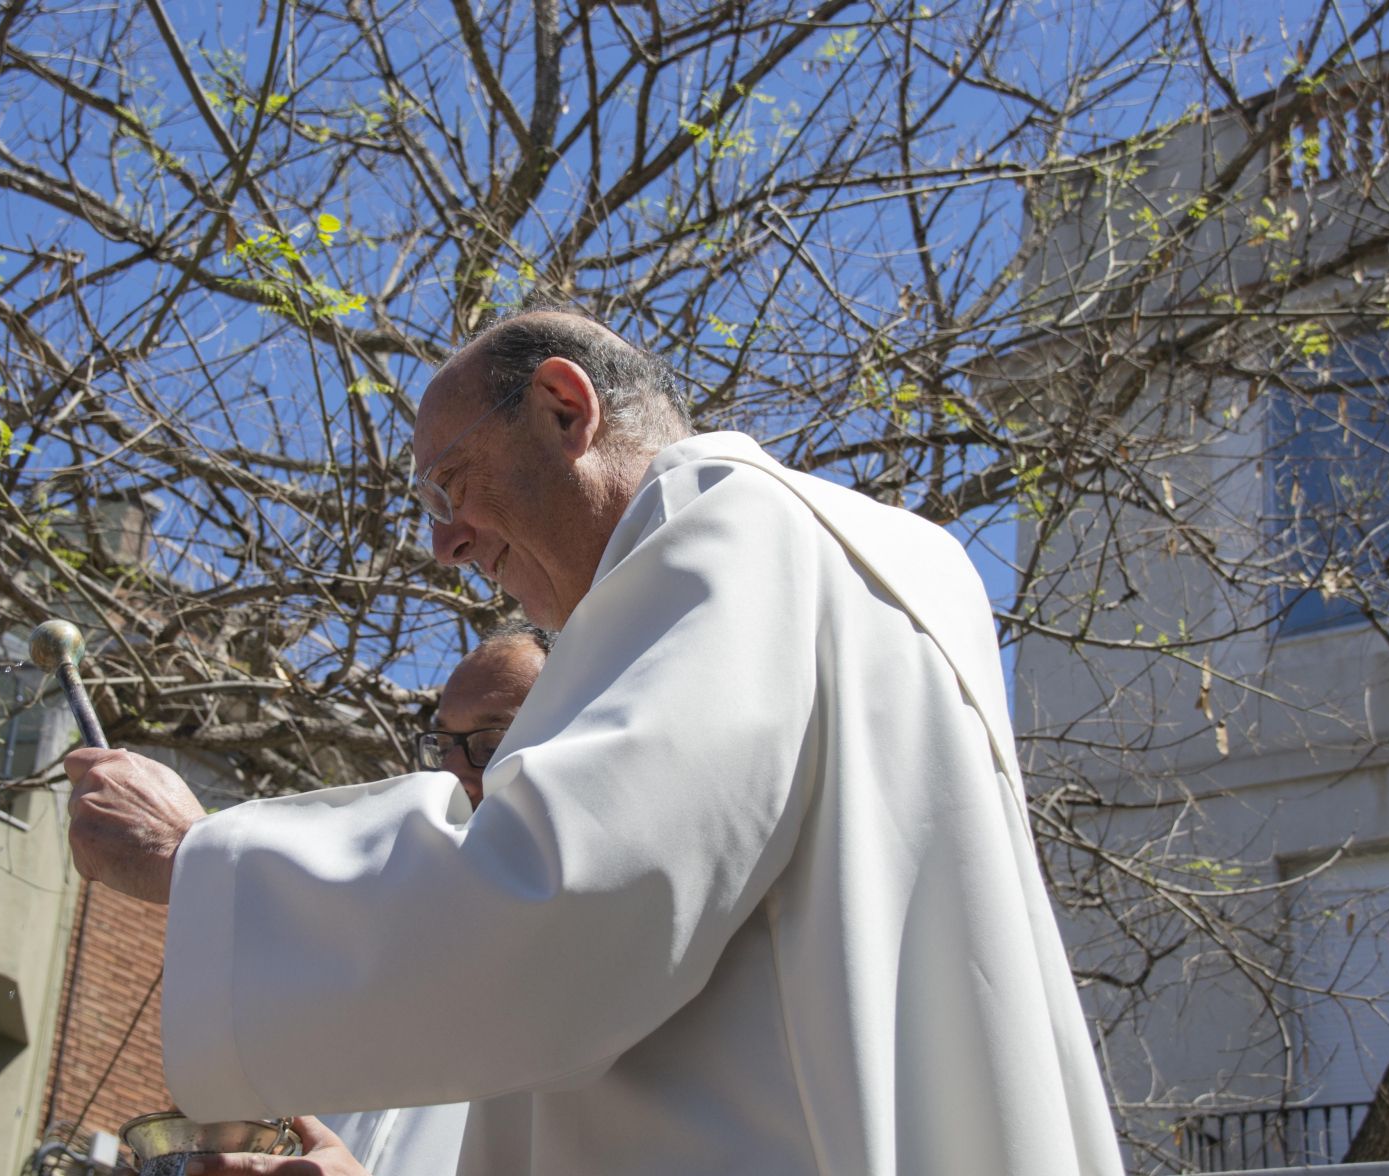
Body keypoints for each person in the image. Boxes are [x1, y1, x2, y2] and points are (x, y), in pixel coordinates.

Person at [65, 308, 1124, 1174]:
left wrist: (195, 858)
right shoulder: (886, 570)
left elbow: (572, 905)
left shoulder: (729, 525)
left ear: (565, 408)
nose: (444, 543)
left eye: (450, 484)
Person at [192, 624, 554, 1175]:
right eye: (442, 746)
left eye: (492, 743)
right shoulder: (363, 957)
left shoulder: (602, 983)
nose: (452, 778)